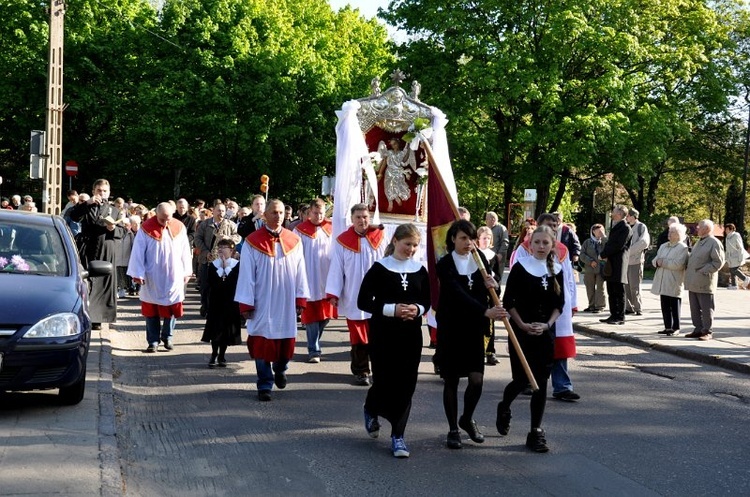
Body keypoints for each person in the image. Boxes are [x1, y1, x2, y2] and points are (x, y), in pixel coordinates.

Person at [357, 223, 430, 458]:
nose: (411, 249)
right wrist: (392, 310)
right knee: (385, 381)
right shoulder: (380, 268)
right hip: (384, 334)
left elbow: (427, 301)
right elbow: (363, 301)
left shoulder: (420, 270)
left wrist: (416, 309)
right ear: (396, 241)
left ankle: (398, 436)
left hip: (410, 336)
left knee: (407, 384)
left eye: (415, 245)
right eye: (407, 244)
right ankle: (371, 408)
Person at [434, 220, 506, 450]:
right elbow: (456, 294)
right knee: (452, 380)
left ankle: (467, 418)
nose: (468, 242)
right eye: (463, 238)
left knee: (476, 379)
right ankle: (453, 429)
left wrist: (493, 284)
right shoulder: (444, 264)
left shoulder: (480, 260)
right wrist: (485, 310)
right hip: (452, 327)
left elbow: (491, 289)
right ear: (453, 239)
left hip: (474, 328)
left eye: (471, 238)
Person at [496, 225, 564, 453]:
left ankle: (535, 431)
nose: (541, 246)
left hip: (545, 333)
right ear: (530, 244)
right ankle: (504, 406)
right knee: (521, 381)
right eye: (537, 242)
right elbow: (509, 302)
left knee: (541, 383)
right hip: (521, 331)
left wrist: (547, 325)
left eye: (546, 242)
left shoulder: (557, 269)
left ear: (552, 244)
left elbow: (559, 305)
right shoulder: (520, 267)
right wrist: (522, 325)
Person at [235, 199, 310, 401]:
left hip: (285, 301)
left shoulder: (294, 241)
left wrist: (300, 299)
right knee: (261, 341)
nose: (278, 216)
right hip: (262, 302)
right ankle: (264, 384)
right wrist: (246, 303)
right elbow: (246, 276)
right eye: (274, 212)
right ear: (265, 215)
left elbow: (300, 271)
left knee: (284, 344)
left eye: (281, 213)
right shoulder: (252, 242)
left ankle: (280, 368)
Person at [325, 204, 386, 386]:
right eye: (358, 217)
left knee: (378, 335)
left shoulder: (381, 238)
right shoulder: (343, 241)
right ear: (352, 219)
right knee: (359, 336)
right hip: (354, 295)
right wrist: (334, 293)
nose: (362, 220)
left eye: (365, 217)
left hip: (378, 296)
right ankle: (361, 371)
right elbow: (336, 269)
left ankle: (380, 369)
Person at [127, 202, 193, 352]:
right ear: (156, 214)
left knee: (172, 305)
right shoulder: (146, 229)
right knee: (152, 309)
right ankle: (153, 341)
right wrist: (137, 273)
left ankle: (168, 337)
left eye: (168, 218)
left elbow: (185, 250)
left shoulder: (179, 227)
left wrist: (187, 271)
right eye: (162, 219)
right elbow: (137, 252)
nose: (166, 222)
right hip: (152, 275)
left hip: (174, 274)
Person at [69, 179, 126, 329]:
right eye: (99, 190)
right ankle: (85, 314)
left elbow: (122, 231)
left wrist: (113, 228)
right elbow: (73, 216)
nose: (102, 193)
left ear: (109, 193)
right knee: (87, 281)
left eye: (105, 191)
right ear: (94, 191)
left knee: (103, 282)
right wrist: (87, 203)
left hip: (106, 247)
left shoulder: (115, 210)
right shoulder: (86, 206)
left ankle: (99, 318)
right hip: (88, 247)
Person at [294, 198, 337, 363]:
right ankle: (314, 350)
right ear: (309, 213)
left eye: (321, 213)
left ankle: (315, 341)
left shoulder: (331, 229)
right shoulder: (300, 230)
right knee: (311, 315)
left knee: (325, 315)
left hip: (327, 278)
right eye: (315, 213)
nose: (319, 216)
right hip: (309, 277)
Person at [201, 238, 243, 367]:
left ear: (231, 250)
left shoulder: (237, 265)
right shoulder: (213, 264)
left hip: (230, 302)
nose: (220, 250)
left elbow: (234, 283)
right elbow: (211, 283)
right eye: (219, 248)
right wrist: (221, 270)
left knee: (225, 329)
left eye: (223, 248)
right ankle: (214, 354)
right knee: (215, 329)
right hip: (216, 301)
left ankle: (222, 355)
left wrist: (227, 269)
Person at [195, 203, 240, 316]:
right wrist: (206, 252)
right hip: (207, 259)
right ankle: (205, 306)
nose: (221, 213)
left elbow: (238, 237)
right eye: (218, 211)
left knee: (222, 287)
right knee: (205, 286)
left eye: (223, 211)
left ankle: (217, 310)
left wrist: (228, 238)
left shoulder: (230, 224)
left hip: (224, 260)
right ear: (213, 211)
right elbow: (197, 238)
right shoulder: (205, 224)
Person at [684, 219, 725, 340]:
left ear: (706, 229)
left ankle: (707, 331)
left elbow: (718, 262)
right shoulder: (700, 242)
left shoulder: (714, 242)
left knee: (706, 308)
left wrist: (704, 270)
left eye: (699, 227)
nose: (696, 228)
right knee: (695, 307)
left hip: (704, 280)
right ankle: (698, 329)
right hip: (693, 281)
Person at [651, 223, 689, 336]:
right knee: (665, 305)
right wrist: (656, 262)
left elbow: (679, 264)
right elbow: (655, 260)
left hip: (674, 280)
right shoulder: (664, 246)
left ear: (678, 235)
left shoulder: (682, 248)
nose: (669, 234)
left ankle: (676, 327)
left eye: (672, 232)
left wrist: (664, 262)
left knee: (675, 306)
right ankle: (667, 327)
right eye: (669, 232)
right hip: (662, 279)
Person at [599, 205, 632, 325]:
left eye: (614, 212)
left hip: (619, 262)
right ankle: (613, 314)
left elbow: (618, 245)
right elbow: (610, 243)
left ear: (619, 213)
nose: (612, 214)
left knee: (618, 290)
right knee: (611, 289)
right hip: (611, 262)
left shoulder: (625, 228)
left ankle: (620, 316)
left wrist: (603, 254)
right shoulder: (616, 226)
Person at [477, 226, 501, 366]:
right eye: (484, 238)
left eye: (489, 238)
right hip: (479, 294)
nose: (486, 240)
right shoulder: (475, 255)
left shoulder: (493, 256)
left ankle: (490, 351)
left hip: (490, 293)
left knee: (490, 324)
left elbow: (498, 275)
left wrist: (493, 279)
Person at [377, 137, 416, 211]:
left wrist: (408, 146)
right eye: (392, 144)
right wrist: (380, 173)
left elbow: (405, 159)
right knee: (388, 187)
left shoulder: (402, 153)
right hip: (389, 172)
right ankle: (390, 202)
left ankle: (396, 197)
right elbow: (384, 163)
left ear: (398, 143)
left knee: (397, 186)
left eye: (395, 144)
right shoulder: (389, 152)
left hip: (398, 172)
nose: (393, 146)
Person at [625, 208, 650, 316]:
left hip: (635, 261)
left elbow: (644, 242)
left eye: (628, 216)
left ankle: (638, 307)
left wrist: (628, 251)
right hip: (625, 261)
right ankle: (628, 307)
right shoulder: (626, 227)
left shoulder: (641, 227)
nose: (626, 218)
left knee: (635, 286)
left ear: (633, 216)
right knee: (626, 286)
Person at [579, 224, 607, 313]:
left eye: (601, 230)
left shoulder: (604, 241)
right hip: (589, 268)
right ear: (593, 232)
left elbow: (609, 248)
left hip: (601, 268)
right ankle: (591, 305)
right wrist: (590, 261)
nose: (600, 233)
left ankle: (600, 306)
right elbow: (582, 254)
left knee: (600, 288)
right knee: (589, 288)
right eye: (598, 231)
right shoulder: (587, 242)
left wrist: (603, 237)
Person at [484, 211, 510, 282]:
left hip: (498, 258)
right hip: (488, 257)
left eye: (487, 219)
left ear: (493, 219)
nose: (485, 220)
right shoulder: (486, 228)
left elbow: (505, 242)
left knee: (497, 278)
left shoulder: (501, 228)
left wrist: (500, 254)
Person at [723, 223, 750, 289]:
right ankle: (734, 285)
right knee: (732, 270)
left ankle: (745, 278)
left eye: (727, 229)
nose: (725, 230)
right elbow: (727, 248)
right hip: (730, 257)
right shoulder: (727, 237)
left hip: (737, 256)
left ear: (731, 229)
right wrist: (726, 257)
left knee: (734, 270)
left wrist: (740, 257)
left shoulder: (736, 235)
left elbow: (740, 247)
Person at [116, 217, 133, 299]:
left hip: (126, 257)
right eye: (124, 225)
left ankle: (122, 290)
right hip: (117, 258)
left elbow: (132, 245)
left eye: (127, 225)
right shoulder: (117, 233)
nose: (125, 226)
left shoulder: (130, 234)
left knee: (124, 275)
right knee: (117, 275)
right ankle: (117, 290)